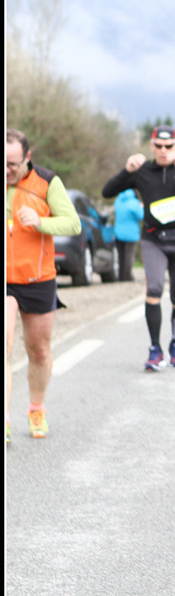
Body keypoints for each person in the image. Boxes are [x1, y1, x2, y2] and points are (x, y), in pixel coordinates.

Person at [102, 125, 175, 372]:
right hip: (153, 240)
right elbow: (107, 191)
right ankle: (154, 349)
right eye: (158, 146)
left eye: (168, 146)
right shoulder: (143, 170)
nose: (163, 150)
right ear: (151, 146)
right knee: (155, 289)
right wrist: (127, 170)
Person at [6, 129, 82, 442]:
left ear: (27, 157)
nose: (6, 170)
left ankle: (36, 409)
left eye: (12, 164)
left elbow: (73, 223)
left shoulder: (47, 182)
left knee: (38, 351)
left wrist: (40, 222)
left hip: (38, 278)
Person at [113, 188, 144, 281]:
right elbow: (140, 216)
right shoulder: (134, 203)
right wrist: (141, 207)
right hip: (131, 233)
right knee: (129, 257)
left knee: (121, 256)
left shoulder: (118, 200)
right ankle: (127, 276)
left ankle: (120, 276)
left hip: (118, 231)